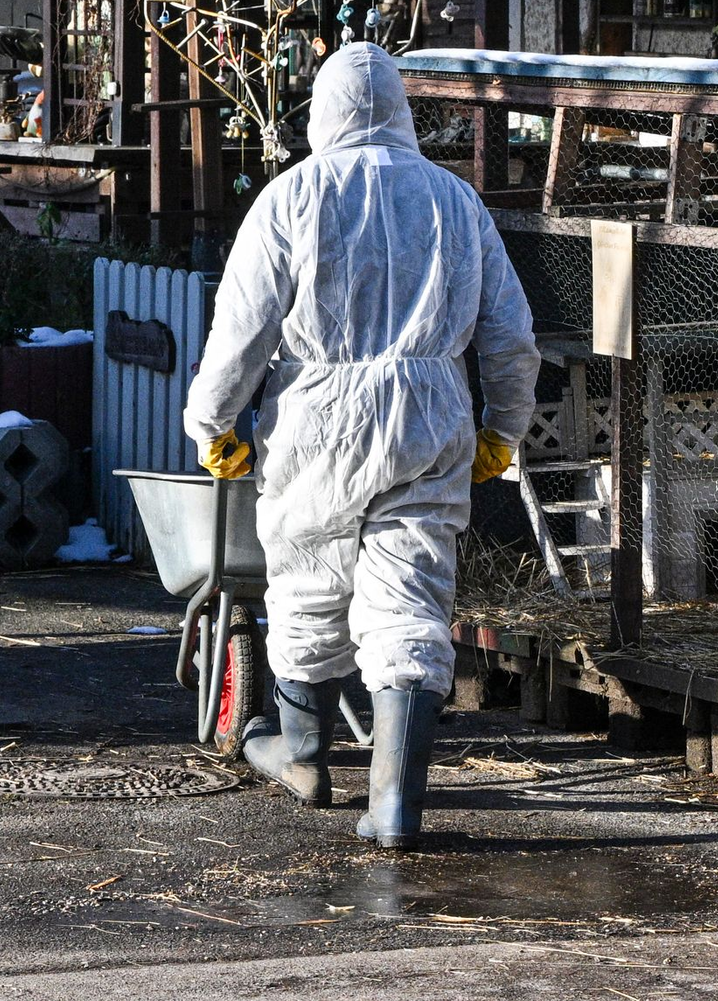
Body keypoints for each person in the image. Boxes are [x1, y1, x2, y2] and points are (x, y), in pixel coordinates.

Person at [182, 42, 539, 849]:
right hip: (429, 414)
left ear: (321, 112)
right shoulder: (455, 200)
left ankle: (305, 755)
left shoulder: (289, 198)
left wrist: (212, 425)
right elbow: (512, 336)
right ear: (404, 112)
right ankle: (396, 807)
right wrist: (500, 432)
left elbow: (238, 336)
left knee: (306, 581)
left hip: (315, 421)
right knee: (410, 596)